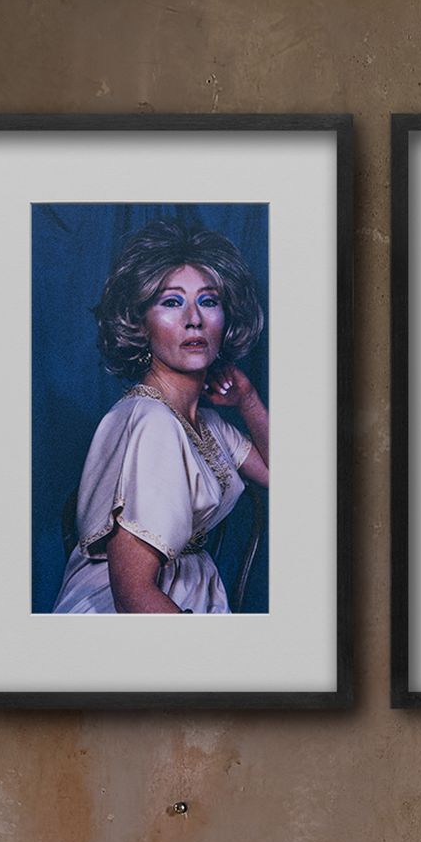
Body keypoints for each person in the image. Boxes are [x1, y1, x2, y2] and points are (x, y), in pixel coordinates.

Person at [50, 214, 270, 616]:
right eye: (171, 301)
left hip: (192, 601)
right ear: (139, 323)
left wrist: (249, 399)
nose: (194, 318)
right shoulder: (150, 421)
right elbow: (133, 595)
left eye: (209, 300)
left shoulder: (208, 425)